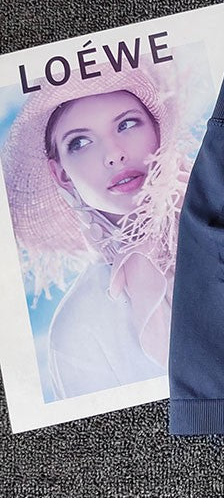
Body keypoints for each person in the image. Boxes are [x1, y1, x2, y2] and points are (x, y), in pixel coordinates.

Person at [0, 63, 194, 400]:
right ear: (61, 174)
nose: (114, 154)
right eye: (80, 142)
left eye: (127, 124)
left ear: (158, 128)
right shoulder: (77, 328)